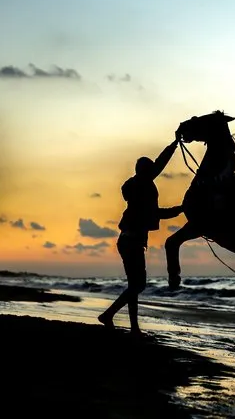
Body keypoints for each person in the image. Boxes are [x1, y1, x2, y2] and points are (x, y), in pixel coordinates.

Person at [98, 137, 183, 335]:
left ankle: (134, 327)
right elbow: (156, 211)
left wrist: (173, 146)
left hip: (128, 240)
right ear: (145, 171)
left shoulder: (136, 187)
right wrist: (178, 210)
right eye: (151, 169)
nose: (155, 172)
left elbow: (158, 166)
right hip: (132, 241)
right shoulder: (142, 187)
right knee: (138, 285)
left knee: (134, 286)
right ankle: (109, 315)